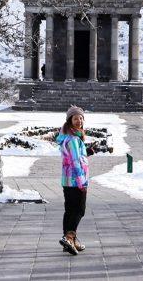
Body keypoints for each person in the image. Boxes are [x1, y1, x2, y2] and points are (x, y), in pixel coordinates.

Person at [56, 105, 101, 255]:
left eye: (81, 118)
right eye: (76, 118)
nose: (79, 121)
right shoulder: (73, 139)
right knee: (79, 210)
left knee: (69, 211)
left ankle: (69, 242)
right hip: (76, 180)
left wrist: (86, 152)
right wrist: (82, 183)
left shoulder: (67, 138)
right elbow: (75, 162)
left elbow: (73, 158)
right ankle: (69, 237)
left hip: (67, 180)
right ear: (70, 121)